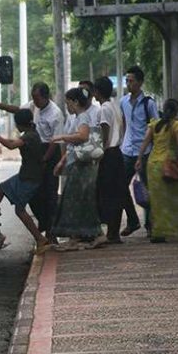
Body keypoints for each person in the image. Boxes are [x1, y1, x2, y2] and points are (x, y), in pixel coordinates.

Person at [0, 83, 64, 243]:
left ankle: (51, 234)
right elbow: (18, 110)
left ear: (46, 97)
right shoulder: (33, 107)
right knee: (35, 195)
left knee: (50, 194)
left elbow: (55, 141)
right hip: (36, 152)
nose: (35, 101)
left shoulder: (55, 113)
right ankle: (44, 225)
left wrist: (45, 159)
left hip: (49, 152)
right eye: (33, 98)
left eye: (37, 98)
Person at [0, 109, 50, 254]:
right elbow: (12, 142)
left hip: (30, 178)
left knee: (19, 210)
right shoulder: (30, 134)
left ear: (20, 124)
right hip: (26, 175)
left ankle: (40, 239)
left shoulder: (31, 136)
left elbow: (11, 145)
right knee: (2, 189)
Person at [135, 98, 178, 242]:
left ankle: (158, 233)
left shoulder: (155, 125)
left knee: (158, 201)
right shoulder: (177, 125)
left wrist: (139, 159)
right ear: (176, 112)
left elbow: (145, 142)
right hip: (170, 164)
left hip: (153, 165)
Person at [50, 87, 103, 249]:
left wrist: (62, 137)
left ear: (75, 102)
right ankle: (79, 235)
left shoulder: (83, 117)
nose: (67, 106)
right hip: (74, 162)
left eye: (68, 103)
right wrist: (62, 161)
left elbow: (83, 136)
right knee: (75, 201)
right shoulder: (78, 117)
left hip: (81, 166)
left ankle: (90, 234)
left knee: (77, 201)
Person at [120, 65, 158, 236]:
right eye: (127, 80)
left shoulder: (149, 103)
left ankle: (150, 225)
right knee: (120, 186)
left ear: (140, 83)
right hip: (127, 150)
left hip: (146, 151)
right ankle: (133, 220)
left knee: (147, 189)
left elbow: (155, 127)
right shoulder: (123, 102)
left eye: (132, 81)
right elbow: (124, 124)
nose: (129, 84)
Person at [94, 76, 125, 243]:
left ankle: (111, 232)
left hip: (108, 153)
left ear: (97, 92)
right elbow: (124, 125)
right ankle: (114, 232)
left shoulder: (103, 109)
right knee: (117, 193)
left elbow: (104, 130)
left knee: (108, 193)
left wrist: (102, 149)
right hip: (117, 151)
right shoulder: (116, 105)